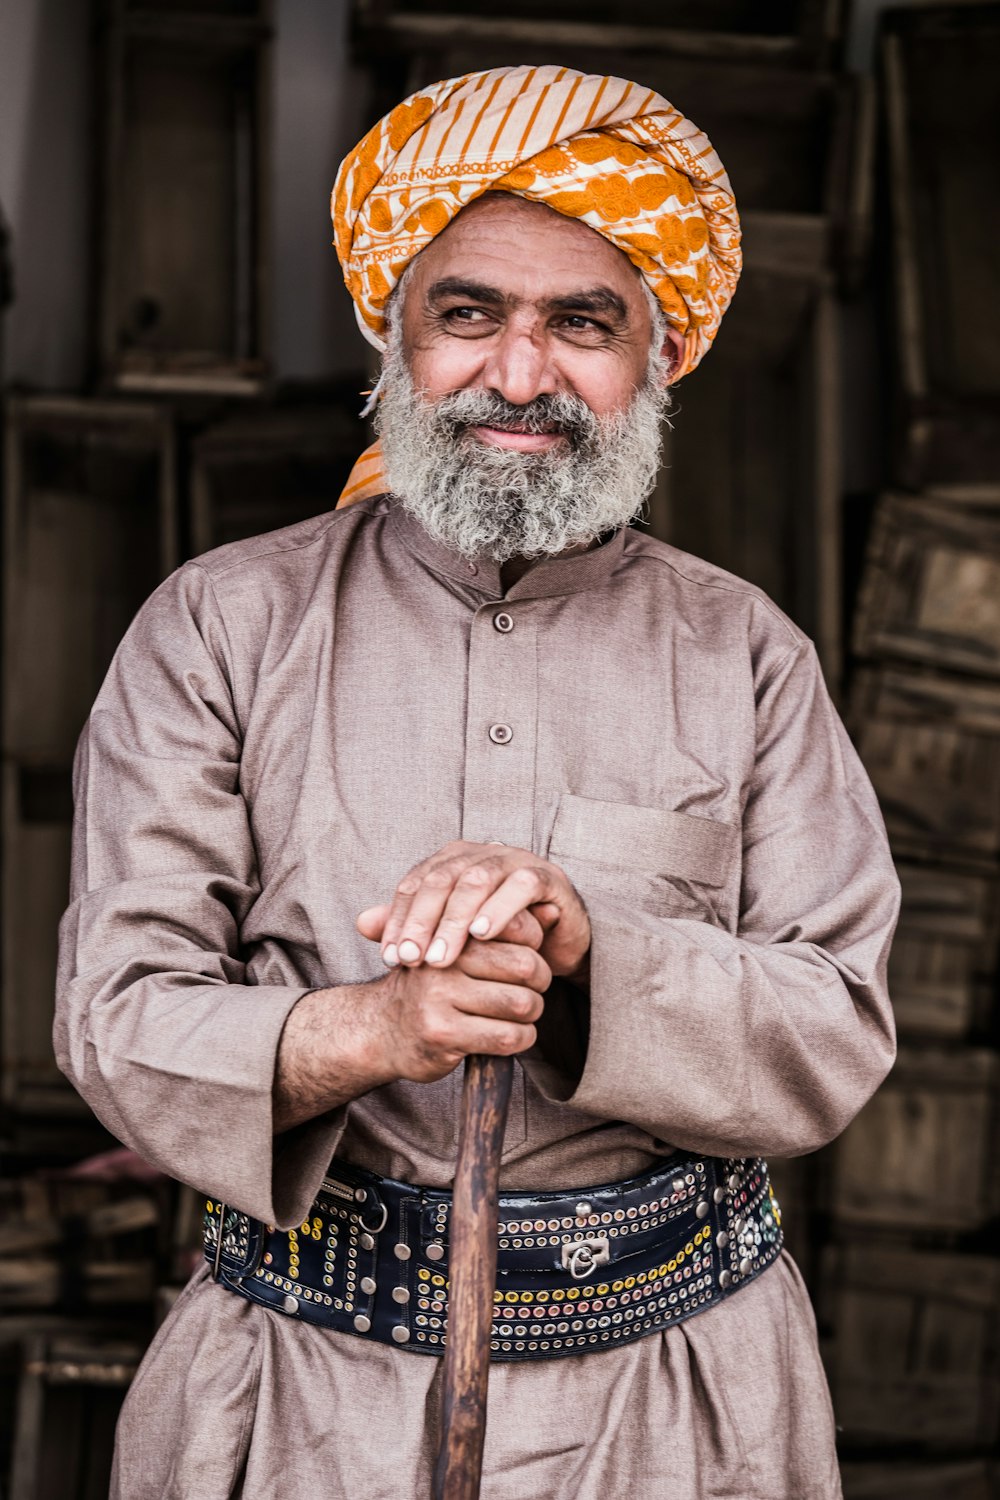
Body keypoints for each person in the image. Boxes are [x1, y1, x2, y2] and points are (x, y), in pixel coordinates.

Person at [56, 65, 898, 1499]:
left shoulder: (746, 650)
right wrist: (372, 1026)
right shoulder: (221, 625)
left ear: (659, 355)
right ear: (396, 334)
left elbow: (837, 1026)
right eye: (469, 315)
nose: (520, 376)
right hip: (299, 1402)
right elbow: (116, 1020)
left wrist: (589, 959)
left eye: (584, 323)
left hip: (682, 1405)